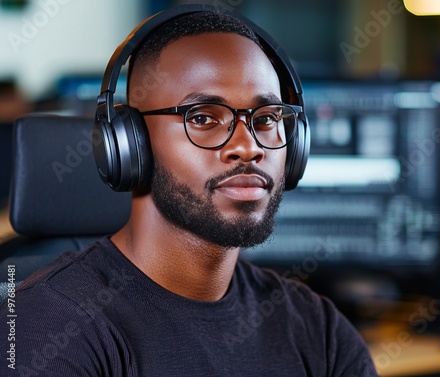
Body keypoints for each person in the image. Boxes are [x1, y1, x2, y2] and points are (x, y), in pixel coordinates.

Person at [0, 5, 378, 376]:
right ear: (130, 145)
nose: (248, 147)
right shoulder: (51, 329)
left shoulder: (321, 331)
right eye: (203, 118)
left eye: (266, 119)